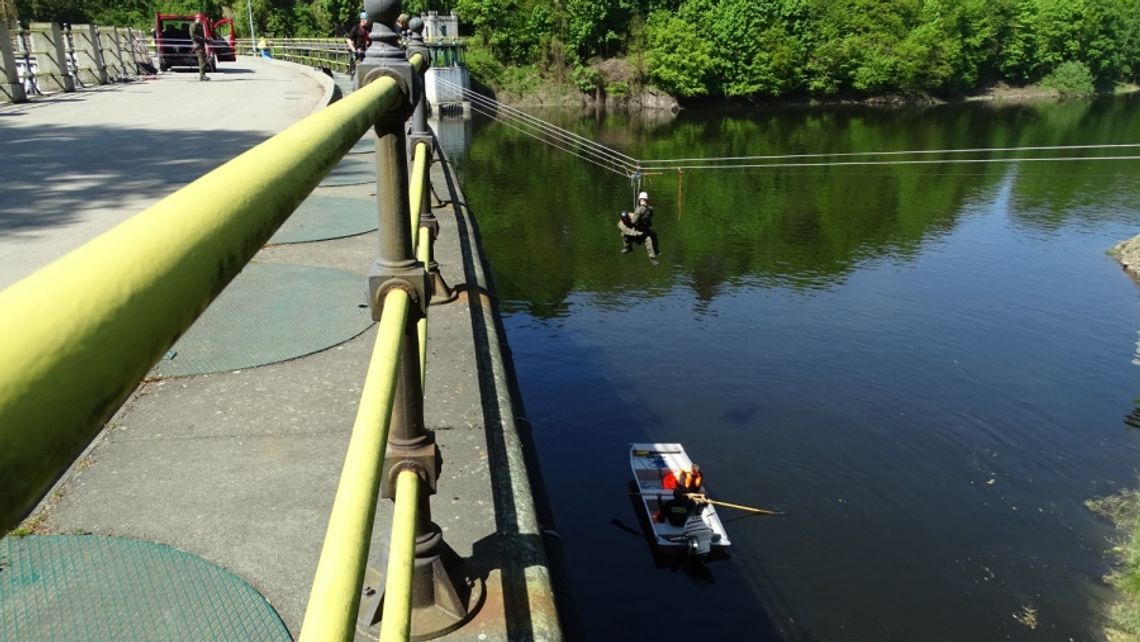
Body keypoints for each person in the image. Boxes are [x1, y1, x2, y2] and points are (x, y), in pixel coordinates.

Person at [618, 191, 659, 264]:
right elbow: (627, 231)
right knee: (623, 234)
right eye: (642, 200)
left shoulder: (638, 211)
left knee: (650, 237)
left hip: (640, 229)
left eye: (643, 200)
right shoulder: (621, 224)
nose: (626, 220)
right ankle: (628, 247)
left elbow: (634, 220)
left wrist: (638, 212)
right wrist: (636, 233)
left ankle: (653, 256)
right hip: (634, 233)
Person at [189, 15, 209, 81]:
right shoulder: (193, 25)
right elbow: (193, 36)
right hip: (197, 45)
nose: (202, 21)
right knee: (202, 61)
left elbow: (202, 36)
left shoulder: (199, 25)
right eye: (201, 19)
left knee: (203, 60)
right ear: (198, 18)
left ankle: (203, 75)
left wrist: (207, 40)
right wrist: (202, 39)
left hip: (201, 44)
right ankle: (202, 75)